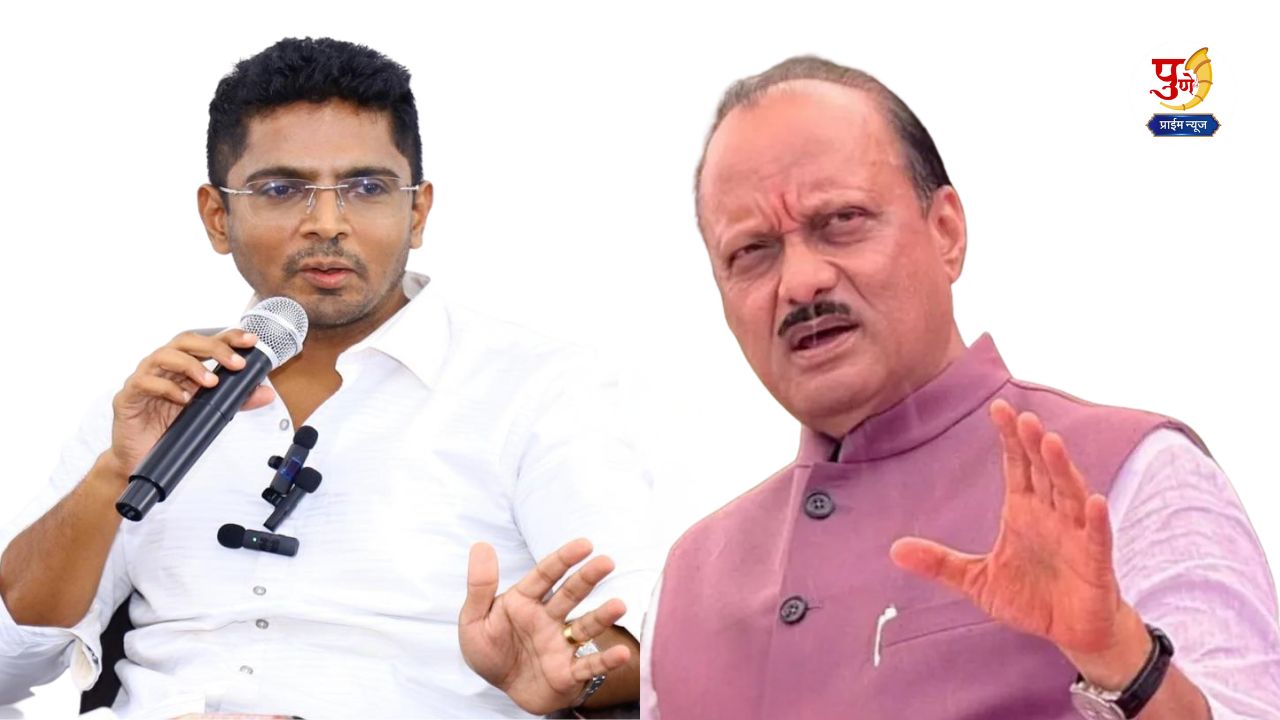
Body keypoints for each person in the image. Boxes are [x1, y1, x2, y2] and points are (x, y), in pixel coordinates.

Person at [0, 37, 654, 719]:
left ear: (418, 212)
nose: (327, 224)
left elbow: (645, 638)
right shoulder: (160, 399)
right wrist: (113, 474)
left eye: (367, 188)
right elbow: (5, 668)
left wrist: (568, 666)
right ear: (218, 218)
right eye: (281, 190)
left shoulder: (539, 389)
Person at [641, 56, 1280, 719]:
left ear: (946, 231)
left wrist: (1123, 661)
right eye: (751, 252)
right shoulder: (688, 582)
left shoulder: (1125, 473)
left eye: (842, 221)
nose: (801, 282)